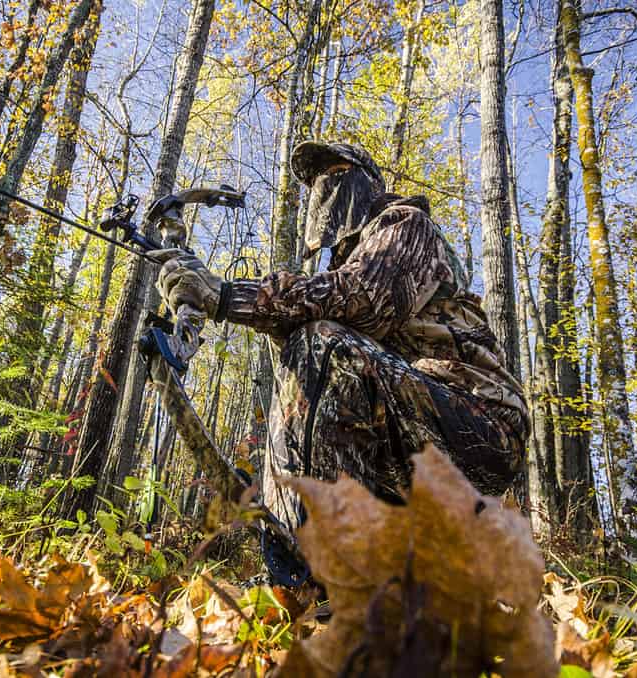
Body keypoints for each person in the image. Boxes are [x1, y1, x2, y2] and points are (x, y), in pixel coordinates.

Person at [154, 141, 528, 529]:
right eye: (317, 180)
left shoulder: (405, 224)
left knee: (321, 343)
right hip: (412, 430)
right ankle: (337, 562)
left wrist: (226, 295)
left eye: (336, 174)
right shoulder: (348, 264)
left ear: (366, 184)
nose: (324, 187)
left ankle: (316, 559)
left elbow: (361, 297)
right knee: (309, 362)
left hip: (482, 429)